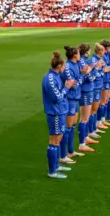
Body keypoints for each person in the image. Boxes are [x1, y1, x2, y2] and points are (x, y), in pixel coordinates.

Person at [42, 51, 74, 179]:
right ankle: (52, 171)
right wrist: (66, 88)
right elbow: (56, 97)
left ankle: (56, 166)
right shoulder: (49, 79)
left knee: (58, 139)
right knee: (54, 141)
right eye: (64, 66)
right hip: (55, 113)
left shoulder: (56, 76)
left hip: (60, 111)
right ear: (59, 66)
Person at [61, 46, 84, 163]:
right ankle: (63, 155)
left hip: (75, 98)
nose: (80, 55)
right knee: (68, 127)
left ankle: (70, 151)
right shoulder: (68, 67)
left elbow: (77, 81)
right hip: (70, 99)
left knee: (72, 126)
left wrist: (79, 78)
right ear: (75, 55)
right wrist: (81, 76)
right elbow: (73, 84)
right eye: (79, 53)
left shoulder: (76, 64)